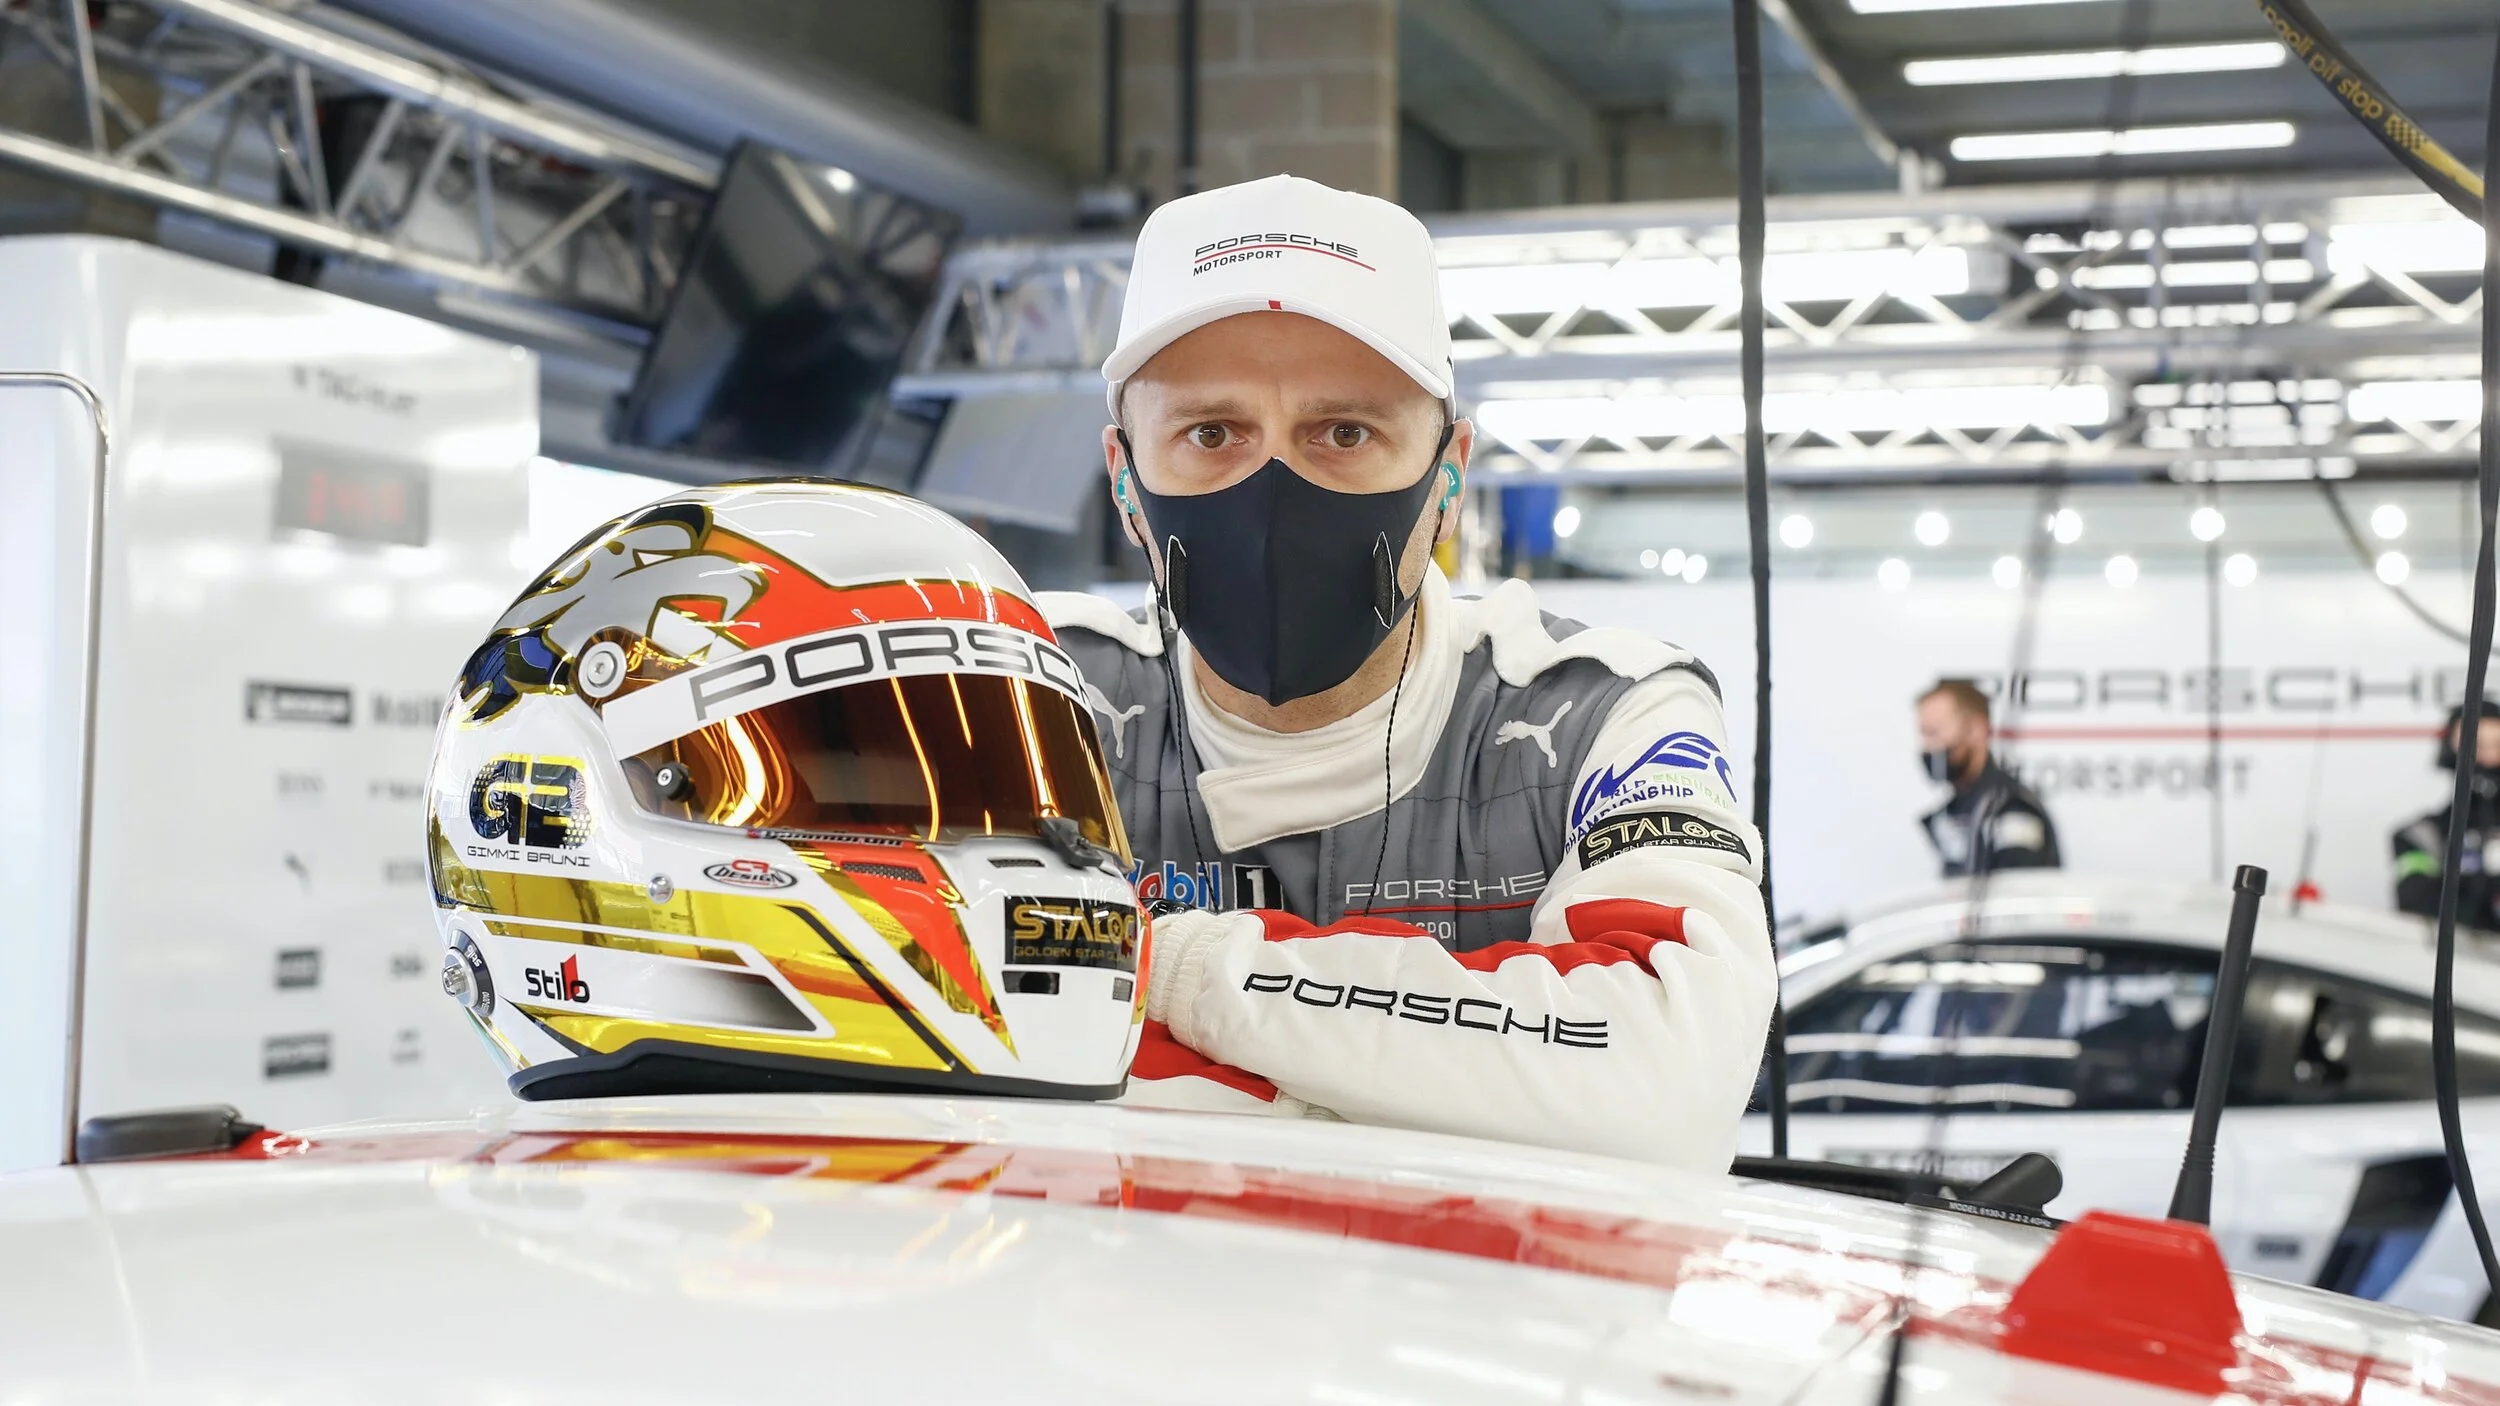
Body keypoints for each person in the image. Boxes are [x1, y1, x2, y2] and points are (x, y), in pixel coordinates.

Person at [1040, 173, 1775, 1172]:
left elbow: (1668, 1078)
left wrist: (1164, 967)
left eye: (1344, 432)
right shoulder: (1035, 700)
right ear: (1126, 477)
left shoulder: (1599, 712)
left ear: (1448, 476)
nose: (1271, 491)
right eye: (1210, 434)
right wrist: (1458, 1080)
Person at [1915, 679, 2060, 878]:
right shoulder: (1952, 812)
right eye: (1924, 735)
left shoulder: (2011, 810)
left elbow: (2014, 893)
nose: (1928, 747)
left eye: (1934, 733)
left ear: (1977, 729)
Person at [2393, 699, 2500, 930]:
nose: (2487, 756)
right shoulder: (2420, 836)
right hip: (2457, 949)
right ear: (2450, 749)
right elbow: (2415, 902)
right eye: (2475, 745)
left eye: (2497, 745)